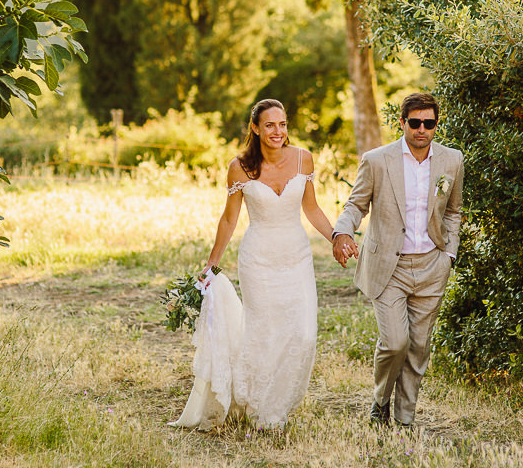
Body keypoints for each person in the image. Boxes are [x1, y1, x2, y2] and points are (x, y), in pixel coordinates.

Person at [171, 99, 337, 429]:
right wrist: (212, 264)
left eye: (283, 124)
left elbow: (313, 209)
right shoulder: (239, 167)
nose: (278, 131)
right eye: (271, 125)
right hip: (257, 260)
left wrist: (336, 237)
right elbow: (230, 219)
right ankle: (264, 412)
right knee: (263, 334)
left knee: (303, 335)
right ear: (256, 128)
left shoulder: (304, 159)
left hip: (297, 259)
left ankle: (277, 404)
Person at [332, 92, 463, 427]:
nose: (422, 130)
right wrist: (342, 232)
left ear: (436, 125)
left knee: (419, 347)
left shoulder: (451, 160)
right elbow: (355, 205)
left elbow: (453, 211)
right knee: (394, 342)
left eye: (429, 123)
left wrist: (449, 254)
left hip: (432, 265)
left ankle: (404, 420)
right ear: (403, 123)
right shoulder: (377, 160)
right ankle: (380, 400)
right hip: (389, 266)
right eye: (415, 123)